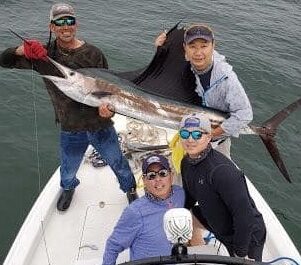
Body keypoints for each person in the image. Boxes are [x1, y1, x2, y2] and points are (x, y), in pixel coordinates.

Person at [0, 3, 137, 211]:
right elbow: (4, 61)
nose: (65, 26)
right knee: (68, 169)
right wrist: (20, 50)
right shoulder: (42, 56)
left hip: (99, 124)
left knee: (119, 163)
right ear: (51, 27)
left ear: (76, 24)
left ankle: (130, 190)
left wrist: (109, 108)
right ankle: (69, 188)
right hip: (70, 127)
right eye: (60, 22)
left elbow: (110, 91)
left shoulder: (94, 54)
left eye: (69, 21)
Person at [155, 24, 253, 158]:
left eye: (204, 46)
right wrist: (162, 50)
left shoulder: (227, 78)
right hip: (187, 134)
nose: (198, 53)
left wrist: (209, 135)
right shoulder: (187, 63)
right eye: (192, 46)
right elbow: (166, 70)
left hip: (216, 140)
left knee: (219, 173)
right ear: (185, 48)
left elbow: (245, 114)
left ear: (213, 46)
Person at [179, 113, 266, 261]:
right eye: (185, 133)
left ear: (208, 138)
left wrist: (240, 254)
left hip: (246, 236)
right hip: (217, 224)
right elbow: (189, 197)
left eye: (197, 134)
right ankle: (197, 248)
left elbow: (245, 218)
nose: (190, 139)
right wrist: (177, 214)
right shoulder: (186, 163)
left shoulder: (222, 172)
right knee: (186, 217)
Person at [102, 154, 185, 264]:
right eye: (151, 176)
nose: (158, 179)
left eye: (163, 173)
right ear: (144, 181)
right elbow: (112, 246)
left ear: (171, 176)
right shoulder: (135, 212)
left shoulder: (180, 193)